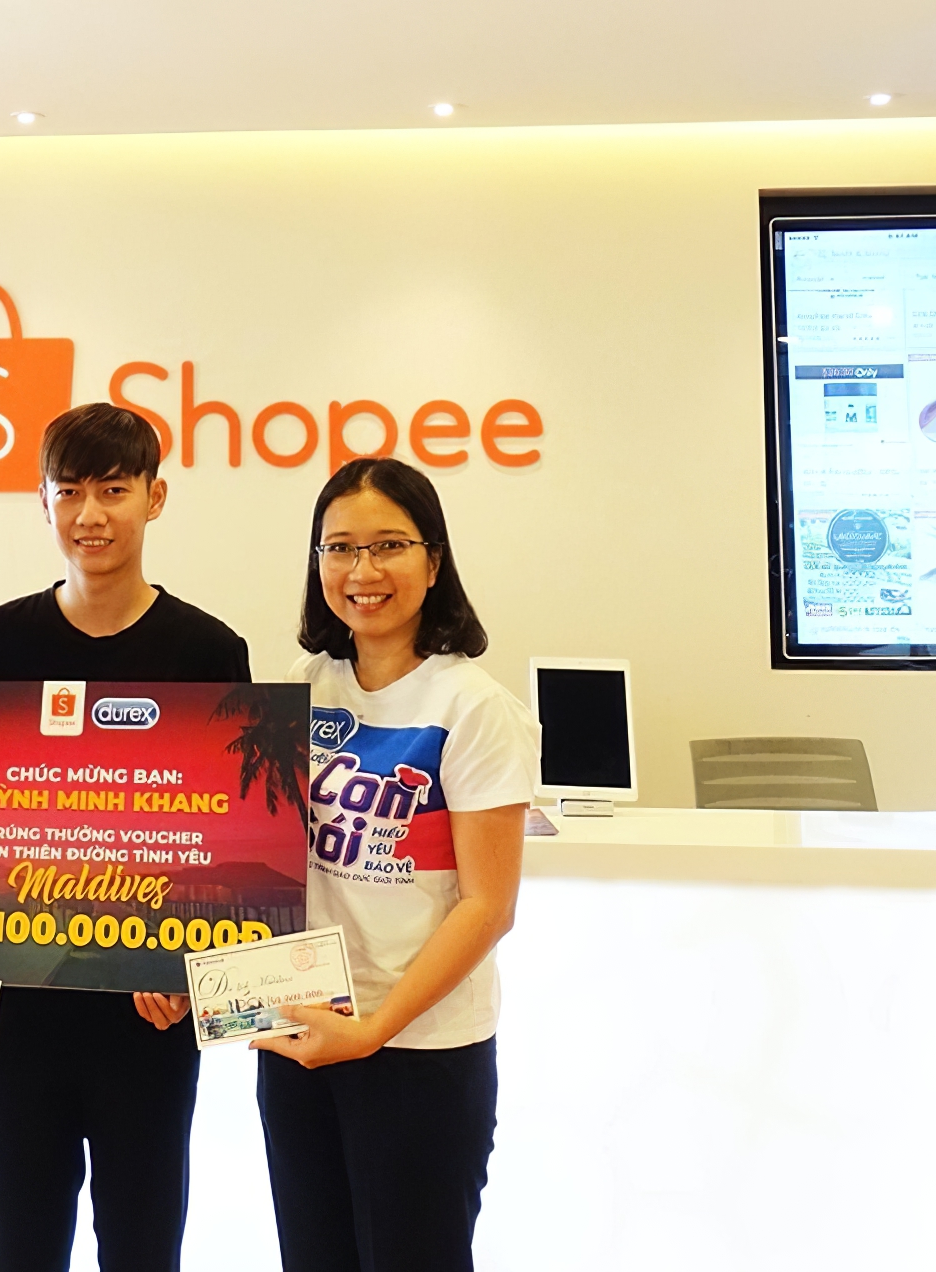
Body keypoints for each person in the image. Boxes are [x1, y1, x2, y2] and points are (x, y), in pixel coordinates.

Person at [0, 402, 252, 1272]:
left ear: (155, 498)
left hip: (147, 1016)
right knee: (20, 1247)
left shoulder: (208, 651)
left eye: (114, 490)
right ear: (42, 501)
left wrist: (194, 974)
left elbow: (227, 838)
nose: (90, 514)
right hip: (17, 1010)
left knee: (143, 1245)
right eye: (69, 491)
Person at [250, 456, 536, 1272]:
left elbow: (488, 907)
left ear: (433, 561)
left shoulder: (473, 707)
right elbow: (255, 859)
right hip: (304, 1034)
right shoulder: (302, 687)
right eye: (339, 548)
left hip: (420, 1051)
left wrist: (373, 1030)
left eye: (388, 546)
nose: (362, 571)